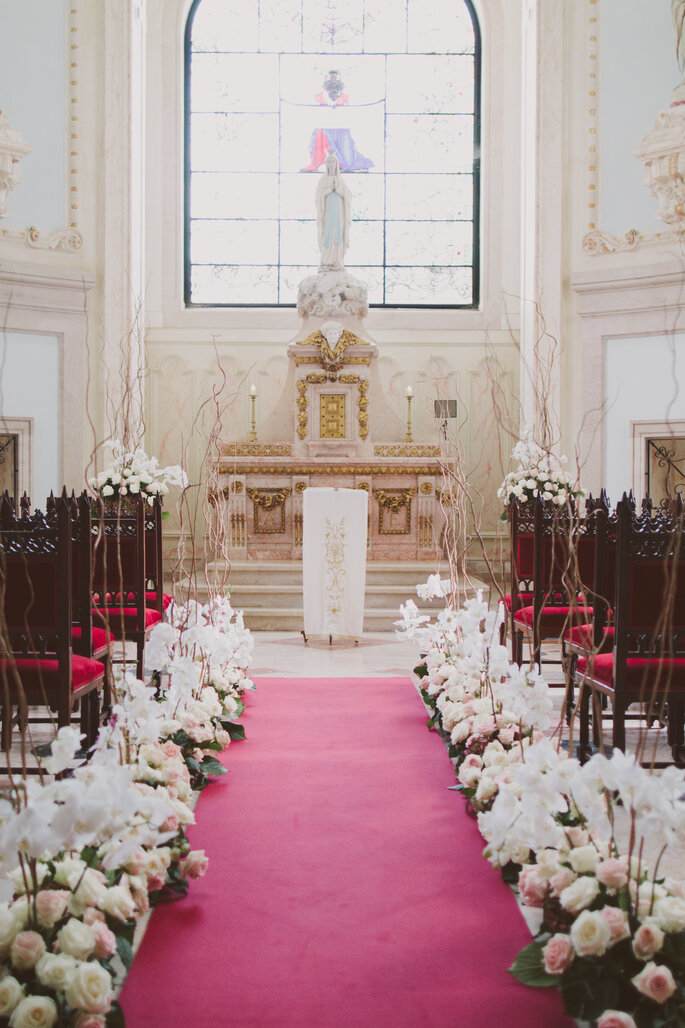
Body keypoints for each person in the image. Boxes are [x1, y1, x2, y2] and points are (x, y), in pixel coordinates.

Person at [301, 70, 374, 173]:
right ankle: (318, 162)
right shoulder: (318, 97)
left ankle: (344, 164)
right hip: (323, 127)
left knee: (345, 146)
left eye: (336, 85)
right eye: (331, 84)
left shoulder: (346, 98)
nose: (334, 88)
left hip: (342, 128)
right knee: (319, 134)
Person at [316, 153, 352, 270]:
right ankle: (327, 259)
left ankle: (337, 259)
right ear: (326, 164)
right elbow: (318, 197)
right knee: (327, 232)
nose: (331, 164)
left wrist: (338, 190)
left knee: (338, 233)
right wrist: (328, 190)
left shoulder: (340, 180)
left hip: (339, 212)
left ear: (336, 164)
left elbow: (348, 196)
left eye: (333, 162)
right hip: (328, 212)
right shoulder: (323, 180)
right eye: (329, 162)